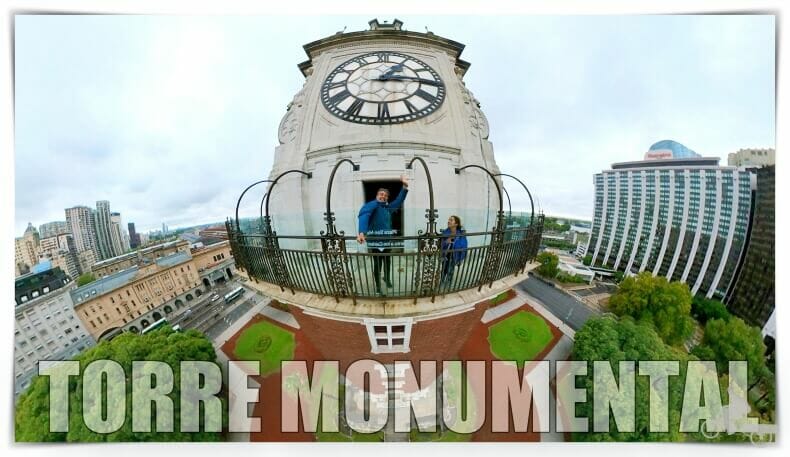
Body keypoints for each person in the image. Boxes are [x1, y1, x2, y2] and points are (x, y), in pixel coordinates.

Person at [357, 175, 409, 295]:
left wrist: (405, 187)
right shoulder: (372, 205)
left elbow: (398, 201)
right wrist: (361, 232)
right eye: (381, 194)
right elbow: (364, 215)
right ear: (377, 195)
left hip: (386, 241)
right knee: (377, 264)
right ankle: (378, 286)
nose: (383, 196)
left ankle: (387, 278)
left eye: (385, 196)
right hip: (375, 242)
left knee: (387, 262)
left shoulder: (387, 208)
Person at [440, 215, 467, 287]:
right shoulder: (445, 232)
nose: (448, 221)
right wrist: (446, 242)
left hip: (454, 255)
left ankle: (448, 285)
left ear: (456, 224)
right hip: (446, 255)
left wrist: (455, 243)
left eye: (451, 220)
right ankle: (441, 284)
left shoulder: (461, 234)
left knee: (450, 270)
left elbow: (464, 245)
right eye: (449, 220)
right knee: (443, 270)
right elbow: (441, 244)